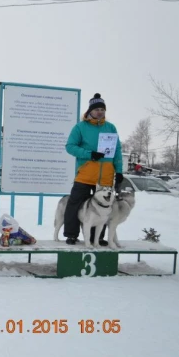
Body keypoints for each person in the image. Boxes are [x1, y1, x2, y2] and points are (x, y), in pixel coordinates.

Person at [64, 93, 123, 245]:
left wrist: (119, 171)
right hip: (85, 174)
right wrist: (89, 154)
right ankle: (71, 234)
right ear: (89, 111)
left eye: (102, 109)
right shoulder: (80, 127)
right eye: (96, 109)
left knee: (104, 206)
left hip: (105, 177)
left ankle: (98, 238)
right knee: (75, 204)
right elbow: (70, 147)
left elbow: (117, 150)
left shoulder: (110, 127)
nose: (99, 112)